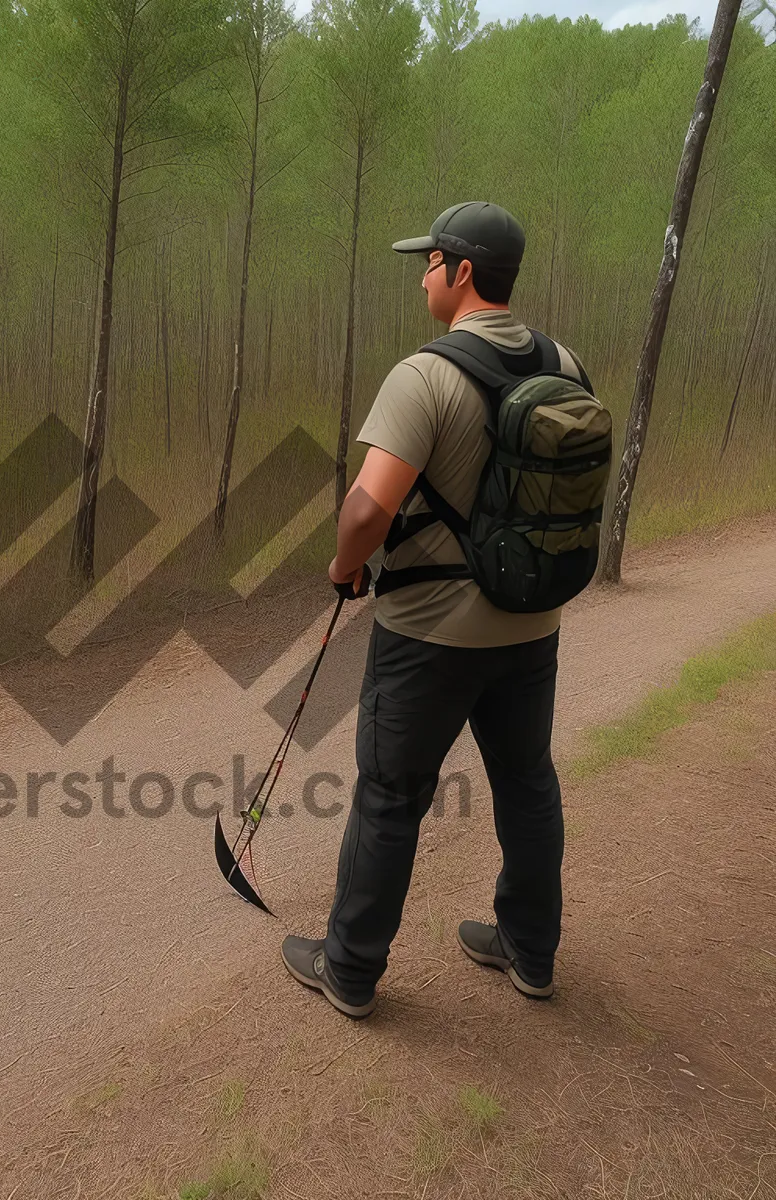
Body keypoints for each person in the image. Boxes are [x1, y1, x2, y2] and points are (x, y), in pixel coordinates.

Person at [281, 201, 594, 1018]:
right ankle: (531, 951)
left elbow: (363, 513)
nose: (422, 274)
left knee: (390, 796)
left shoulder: (425, 374)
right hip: (533, 625)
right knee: (527, 783)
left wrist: (344, 567)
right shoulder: (568, 364)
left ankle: (347, 969)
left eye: (430, 262)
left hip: (429, 635)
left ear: (460, 274)